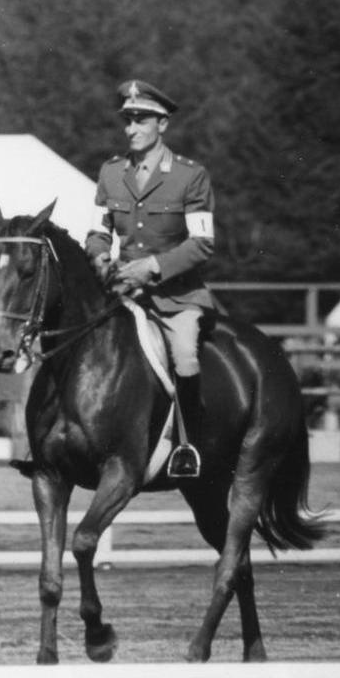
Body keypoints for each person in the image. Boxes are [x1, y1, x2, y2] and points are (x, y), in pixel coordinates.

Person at [85, 79, 216, 477]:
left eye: (141, 121)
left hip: (175, 297)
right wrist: (97, 256)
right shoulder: (111, 173)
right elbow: (98, 231)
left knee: (185, 354)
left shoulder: (190, 177)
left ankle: (189, 446)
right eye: (128, 121)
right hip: (122, 293)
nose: (131, 130)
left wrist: (153, 267)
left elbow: (203, 244)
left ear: (163, 125)